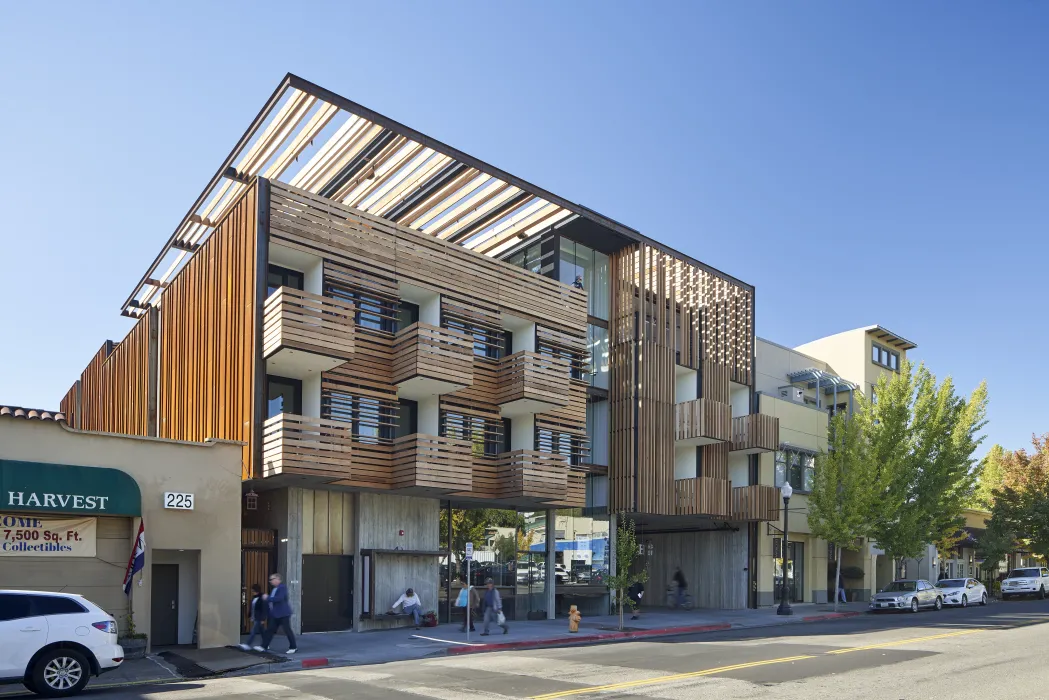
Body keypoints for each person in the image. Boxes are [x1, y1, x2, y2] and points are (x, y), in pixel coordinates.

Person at [257, 573, 297, 654]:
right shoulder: (275, 589)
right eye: (270, 580)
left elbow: (279, 598)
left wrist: (267, 597)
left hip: (283, 614)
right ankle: (264, 646)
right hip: (275, 614)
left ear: (278, 579)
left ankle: (293, 647)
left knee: (287, 630)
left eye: (272, 579)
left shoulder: (282, 587)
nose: (270, 581)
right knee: (270, 630)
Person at [240, 583, 268, 650]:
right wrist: (250, 615)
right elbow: (252, 607)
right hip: (255, 617)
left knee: (253, 631)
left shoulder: (262, 598)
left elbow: (264, 609)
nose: (252, 592)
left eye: (253, 591)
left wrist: (263, 619)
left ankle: (248, 644)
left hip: (259, 617)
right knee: (262, 632)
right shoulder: (254, 598)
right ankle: (266, 644)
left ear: (256, 590)